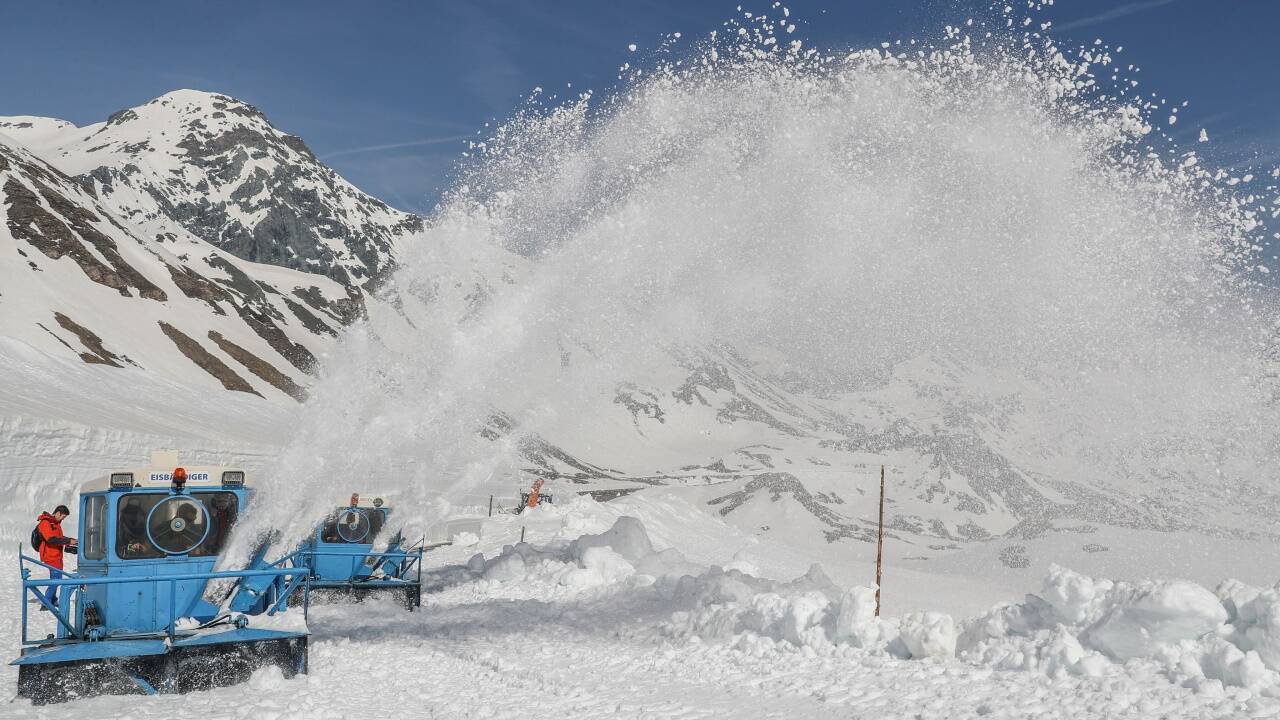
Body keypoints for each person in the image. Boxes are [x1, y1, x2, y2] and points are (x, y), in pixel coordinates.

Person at [35, 505, 77, 609]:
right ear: (58, 513)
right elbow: (51, 539)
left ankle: (53, 600)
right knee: (56, 579)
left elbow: (59, 538)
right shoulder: (45, 523)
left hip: (57, 556)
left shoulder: (56, 524)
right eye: (63, 516)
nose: (63, 519)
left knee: (56, 579)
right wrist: (68, 541)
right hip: (50, 556)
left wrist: (71, 541)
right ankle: (46, 603)